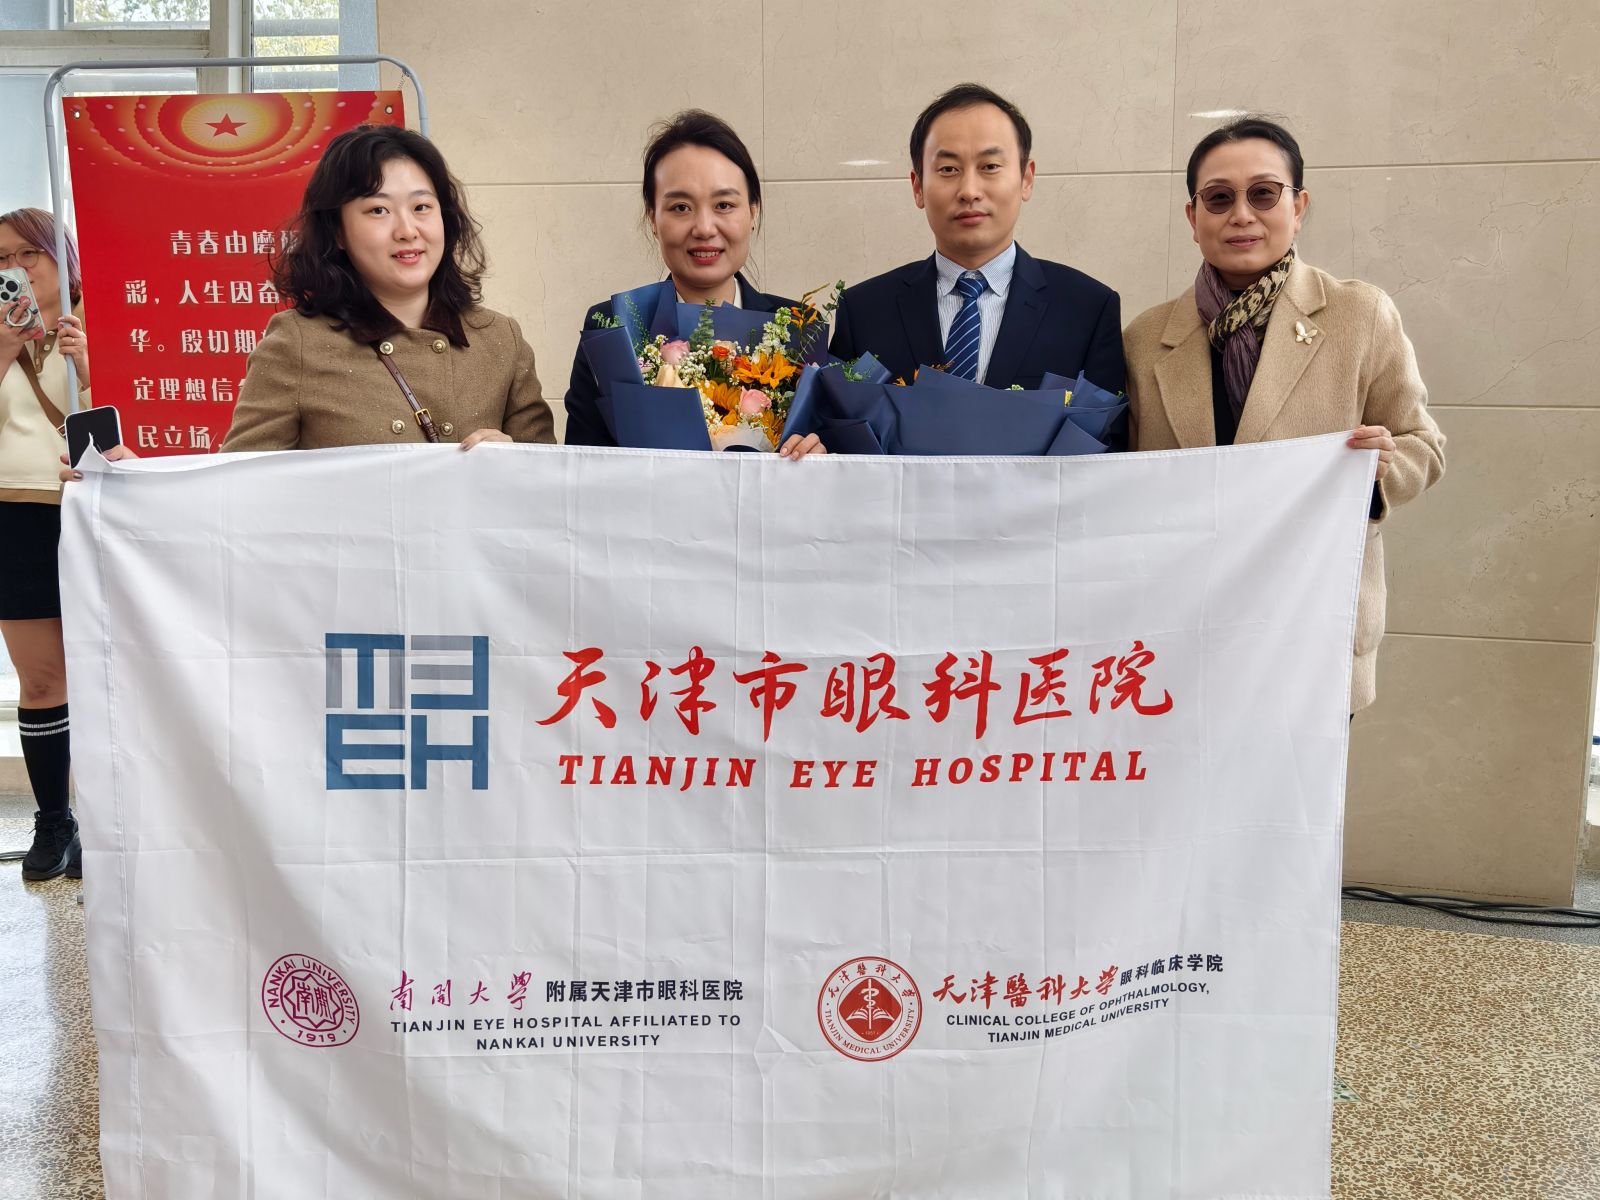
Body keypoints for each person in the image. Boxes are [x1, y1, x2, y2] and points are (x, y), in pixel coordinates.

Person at [1122, 117, 1445, 710]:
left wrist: (1380, 472)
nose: (1242, 215)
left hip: (1313, 632)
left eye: (1264, 194)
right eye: (1219, 198)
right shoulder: (1146, 339)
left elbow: (1422, 445)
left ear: (1298, 207)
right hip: (1181, 635)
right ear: (1193, 218)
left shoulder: (1360, 315)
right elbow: (1122, 480)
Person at [220, 124, 554, 451]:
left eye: (421, 207)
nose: (407, 230)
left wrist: (515, 458)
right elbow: (244, 479)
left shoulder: (499, 338)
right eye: (378, 210)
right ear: (338, 231)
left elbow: (549, 476)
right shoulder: (298, 343)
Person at [829, 83, 1125, 396]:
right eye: (948, 169)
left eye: (990, 167)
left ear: (1026, 179)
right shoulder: (864, 312)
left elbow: (1106, 424)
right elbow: (839, 418)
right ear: (918, 187)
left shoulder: (1088, 309)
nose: (969, 191)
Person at [563, 110, 825, 459]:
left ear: (753, 211)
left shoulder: (799, 327)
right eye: (681, 207)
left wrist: (820, 458)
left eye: (724, 205)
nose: (703, 228)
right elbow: (582, 466)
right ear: (652, 218)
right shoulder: (612, 328)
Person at [0, 207, 91, 880]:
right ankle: (54, 820)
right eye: (0, 260)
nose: (13, 269)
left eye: (26, 254)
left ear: (61, 257)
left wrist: (90, 361)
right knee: (40, 678)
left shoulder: (101, 322)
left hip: (96, 511)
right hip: (14, 515)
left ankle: (115, 821)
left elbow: (142, 416)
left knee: (112, 670)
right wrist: (5, 347)